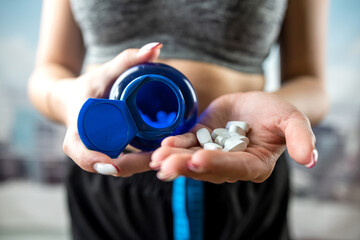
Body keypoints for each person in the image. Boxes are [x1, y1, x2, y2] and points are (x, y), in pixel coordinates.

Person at [28, 0, 329, 239]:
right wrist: (69, 99)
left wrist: (283, 111)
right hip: (110, 167)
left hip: (242, 157)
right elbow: (49, 71)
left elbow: (309, 80)